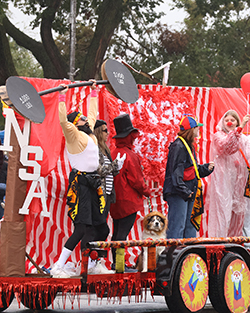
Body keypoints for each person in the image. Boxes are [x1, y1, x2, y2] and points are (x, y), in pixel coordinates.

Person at [51, 81, 114, 277]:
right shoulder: (74, 136)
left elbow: (93, 114)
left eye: (85, 119)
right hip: (80, 184)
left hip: (94, 183)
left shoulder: (90, 134)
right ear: (75, 123)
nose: (86, 121)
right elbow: (63, 121)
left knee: (102, 227)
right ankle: (59, 265)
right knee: (81, 228)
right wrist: (62, 97)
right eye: (81, 120)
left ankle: (95, 263)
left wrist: (94, 91)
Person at [110, 113, 151, 272]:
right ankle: (120, 265)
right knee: (122, 236)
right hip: (129, 201)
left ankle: (116, 263)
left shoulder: (113, 153)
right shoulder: (130, 155)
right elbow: (137, 181)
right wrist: (147, 191)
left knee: (116, 234)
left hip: (114, 201)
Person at [163, 115, 214, 239]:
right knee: (177, 227)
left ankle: (187, 256)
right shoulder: (179, 146)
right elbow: (176, 173)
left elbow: (192, 170)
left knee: (189, 226)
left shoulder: (188, 145)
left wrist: (206, 168)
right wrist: (186, 192)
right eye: (197, 128)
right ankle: (173, 256)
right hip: (179, 193)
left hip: (187, 191)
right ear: (191, 129)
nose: (199, 130)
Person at [207, 110, 250, 238]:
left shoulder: (243, 138)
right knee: (222, 212)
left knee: (238, 213)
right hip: (223, 182)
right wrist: (240, 127)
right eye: (226, 120)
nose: (229, 122)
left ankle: (235, 244)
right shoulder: (218, 136)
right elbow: (226, 147)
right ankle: (218, 245)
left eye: (232, 120)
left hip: (238, 182)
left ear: (236, 121)